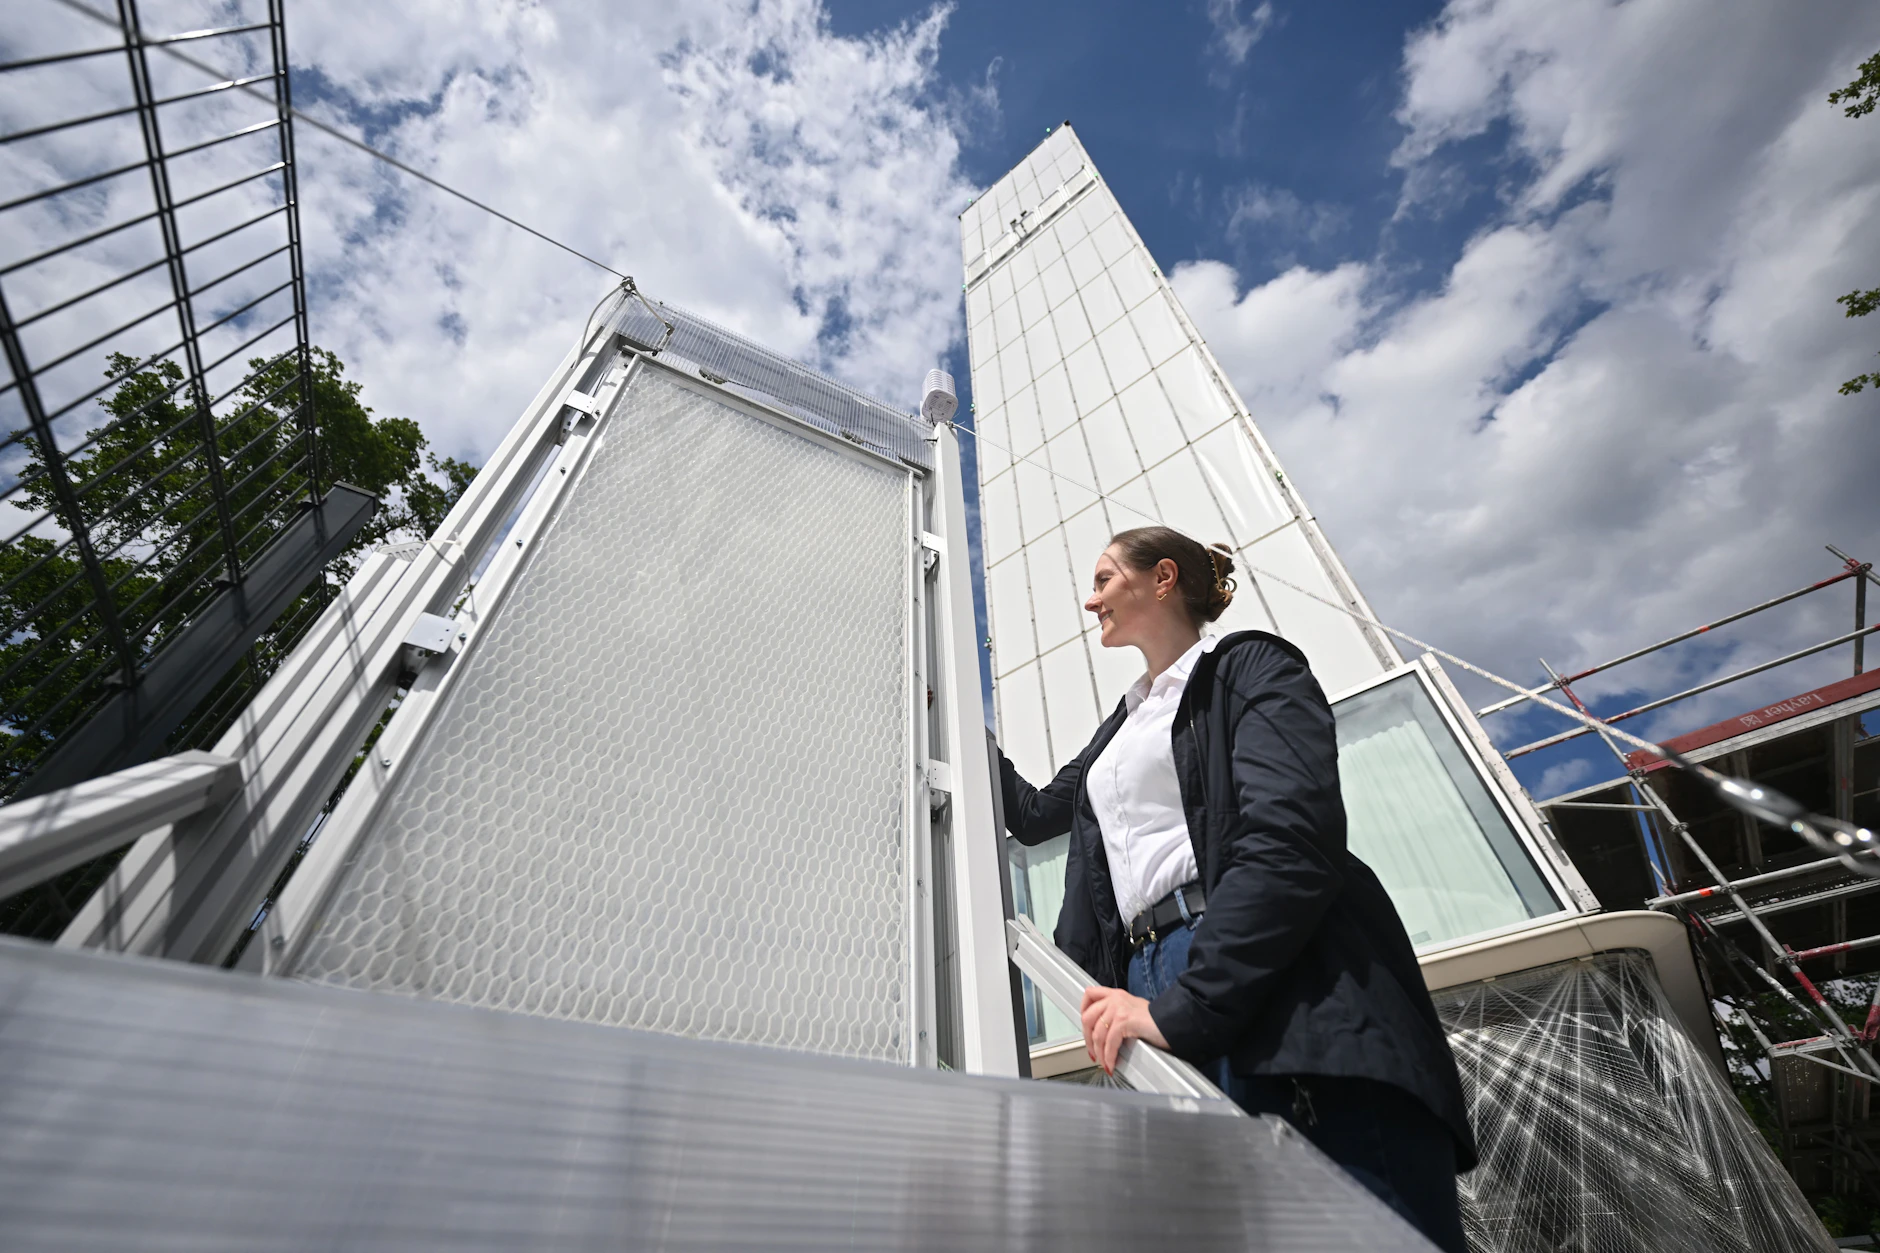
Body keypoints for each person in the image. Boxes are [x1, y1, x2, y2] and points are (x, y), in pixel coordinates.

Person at [997, 526, 1474, 1253]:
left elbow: (1290, 838)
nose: (1088, 598)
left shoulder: (1245, 669)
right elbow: (1032, 817)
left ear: (1161, 578)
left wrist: (1189, 1002)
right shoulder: (1117, 731)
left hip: (1268, 980)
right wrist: (957, 715)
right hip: (1150, 977)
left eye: (1102, 578)